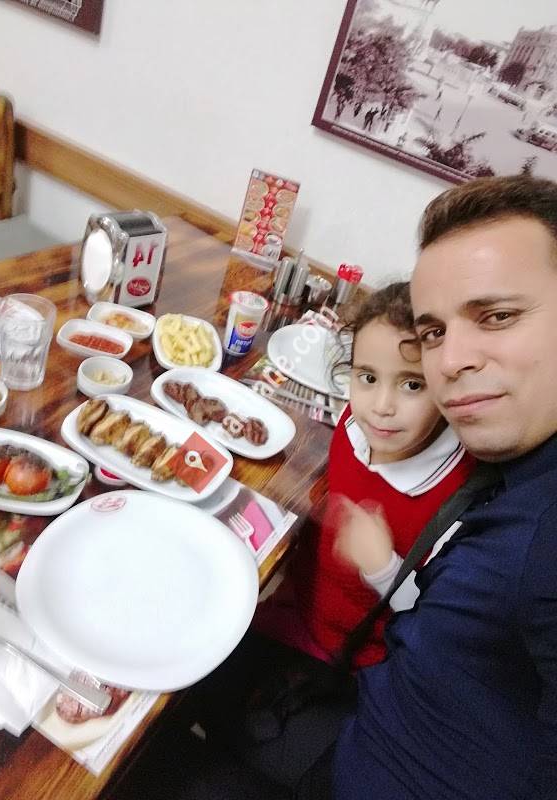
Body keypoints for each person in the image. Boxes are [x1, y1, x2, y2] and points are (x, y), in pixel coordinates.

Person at [333, 174, 557, 800]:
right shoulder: (513, 470)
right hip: (356, 714)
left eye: (498, 316)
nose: (450, 361)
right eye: (434, 332)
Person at [254, 282, 475, 670]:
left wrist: (382, 566)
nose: (381, 406)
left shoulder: (459, 496)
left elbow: (435, 626)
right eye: (368, 378)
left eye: (412, 384)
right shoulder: (353, 423)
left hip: (353, 662)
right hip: (294, 601)